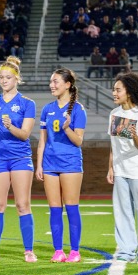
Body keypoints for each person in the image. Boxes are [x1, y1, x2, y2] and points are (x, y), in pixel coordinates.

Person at [0, 56, 37, 262]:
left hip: (21, 158)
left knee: (23, 205)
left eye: (8, 77)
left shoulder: (27, 103)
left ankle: (29, 251)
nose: (4, 81)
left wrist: (10, 126)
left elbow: (25, 134)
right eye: (1, 77)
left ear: (17, 79)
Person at [36, 68, 87, 263]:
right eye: (51, 81)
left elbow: (79, 141)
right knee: (55, 209)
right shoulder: (47, 109)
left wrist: (67, 128)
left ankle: (75, 251)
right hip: (50, 164)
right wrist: (39, 165)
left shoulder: (78, 110)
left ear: (68, 84)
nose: (52, 85)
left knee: (71, 208)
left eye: (56, 81)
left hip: (70, 164)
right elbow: (42, 141)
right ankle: (58, 251)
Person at [106, 73, 138, 264]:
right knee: (122, 211)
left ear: (129, 92)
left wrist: (134, 134)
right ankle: (126, 250)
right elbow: (114, 144)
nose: (114, 93)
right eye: (114, 90)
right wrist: (111, 167)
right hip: (120, 170)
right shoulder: (114, 114)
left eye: (118, 90)